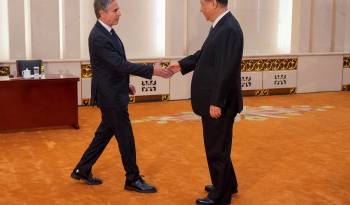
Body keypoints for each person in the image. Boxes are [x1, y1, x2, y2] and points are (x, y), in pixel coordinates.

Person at [71, 0, 171, 193]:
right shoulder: (98, 36)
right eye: (115, 10)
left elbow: (114, 66)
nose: (120, 13)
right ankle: (132, 179)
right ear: (102, 13)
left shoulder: (107, 31)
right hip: (110, 97)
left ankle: (82, 169)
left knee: (104, 134)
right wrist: (152, 70)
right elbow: (119, 65)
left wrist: (126, 85)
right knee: (126, 137)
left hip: (113, 92)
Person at [167, 0, 244, 204]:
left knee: (216, 149)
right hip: (216, 100)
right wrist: (182, 65)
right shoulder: (221, 25)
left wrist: (216, 101)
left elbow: (225, 70)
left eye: (202, 4)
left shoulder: (227, 28)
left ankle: (220, 195)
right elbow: (205, 56)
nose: (200, 9)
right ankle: (228, 184)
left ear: (213, 3)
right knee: (220, 146)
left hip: (219, 103)